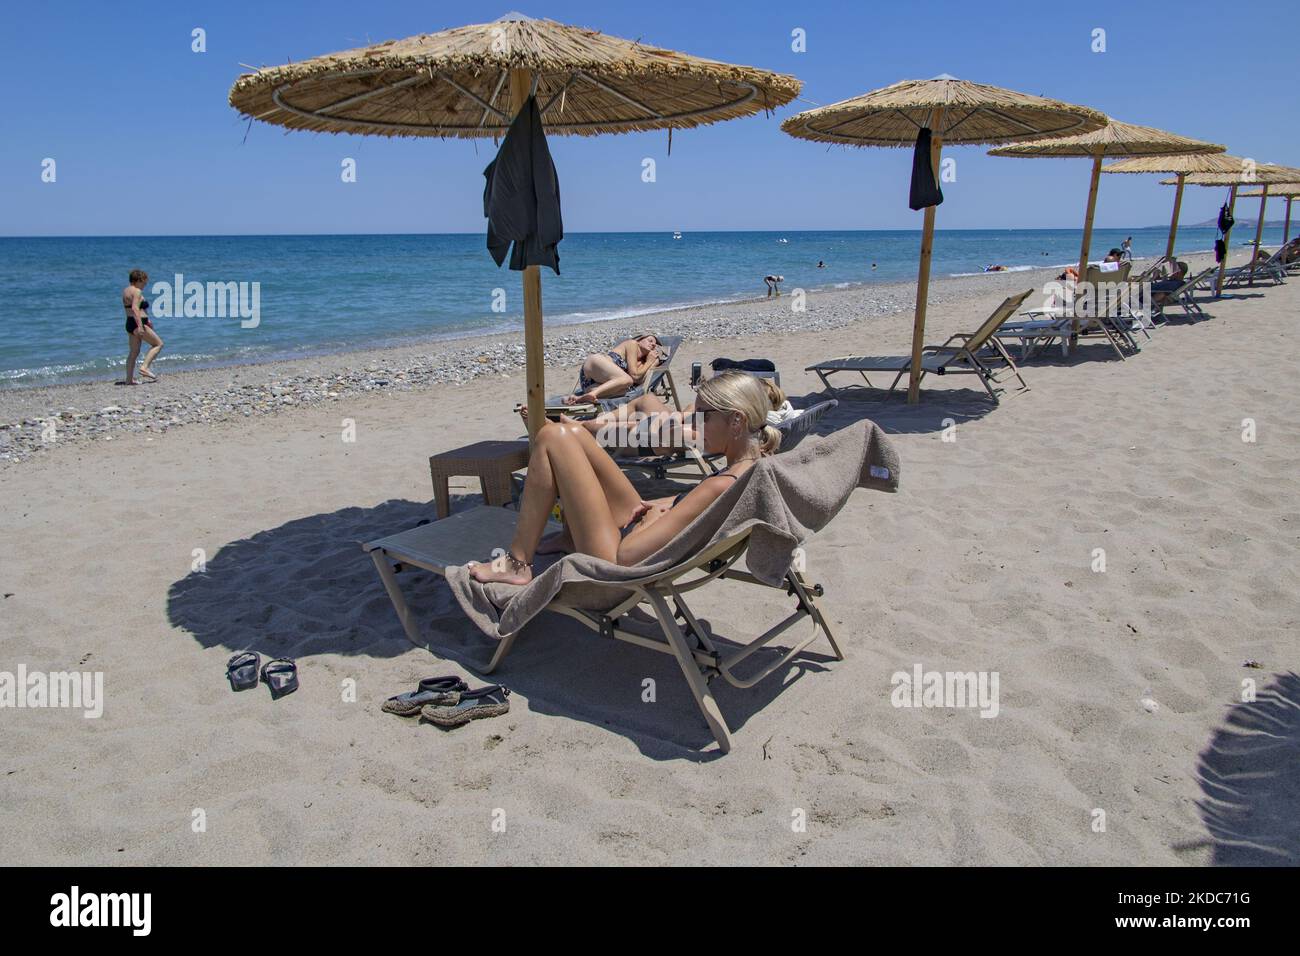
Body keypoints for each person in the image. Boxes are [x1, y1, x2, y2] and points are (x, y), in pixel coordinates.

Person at [467, 372, 780, 583]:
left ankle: (517, 564)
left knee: (553, 436)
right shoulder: (751, 467)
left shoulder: (719, 485)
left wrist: (656, 515)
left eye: (704, 416)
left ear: (736, 421)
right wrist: (662, 504)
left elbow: (626, 556)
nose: (696, 425)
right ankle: (571, 534)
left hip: (618, 555)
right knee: (574, 432)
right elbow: (693, 510)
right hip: (641, 527)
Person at [544, 375, 789, 460]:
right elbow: (686, 417)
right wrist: (688, 416)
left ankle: (580, 425)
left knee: (594, 427)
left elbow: (667, 432)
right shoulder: (736, 424)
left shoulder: (717, 429)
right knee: (645, 399)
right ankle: (593, 422)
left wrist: (684, 418)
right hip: (665, 428)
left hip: (646, 442)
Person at [564, 333, 664, 405]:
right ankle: (592, 394)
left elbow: (639, 380)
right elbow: (634, 375)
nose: (653, 344)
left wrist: (653, 362)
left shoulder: (642, 363)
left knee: (626, 390)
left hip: (592, 385)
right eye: (650, 340)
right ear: (640, 340)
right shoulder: (632, 344)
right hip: (593, 365)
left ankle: (578, 398)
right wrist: (649, 362)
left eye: (654, 345)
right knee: (627, 380)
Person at [122, 269, 163, 384]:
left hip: (130, 323)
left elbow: (135, 308)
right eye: (144, 282)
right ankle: (144, 367)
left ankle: (129, 380)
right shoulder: (137, 291)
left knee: (133, 352)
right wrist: (140, 326)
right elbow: (135, 308)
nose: (145, 285)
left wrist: (147, 320)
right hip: (137, 323)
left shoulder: (126, 291)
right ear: (138, 280)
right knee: (158, 344)